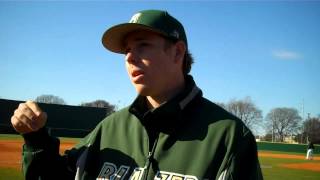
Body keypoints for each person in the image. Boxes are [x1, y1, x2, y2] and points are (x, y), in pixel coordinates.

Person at [11, 10, 263, 180]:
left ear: (177, 53)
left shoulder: (229, 137)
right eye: (127, 50)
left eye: (142, 45)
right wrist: (36, 140)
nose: (130, 57)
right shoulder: (110, 127)